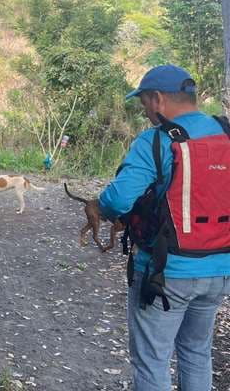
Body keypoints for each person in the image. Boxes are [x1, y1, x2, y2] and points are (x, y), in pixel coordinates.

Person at [97, 64, 230, 391]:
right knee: (197, 352)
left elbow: (118, 200)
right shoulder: (225, 133)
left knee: (152, 360)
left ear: (157, 99)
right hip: (219, 268)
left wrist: (99, 206)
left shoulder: (155, 141)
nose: (144, 111)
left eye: (143, 102)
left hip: (164, 271)